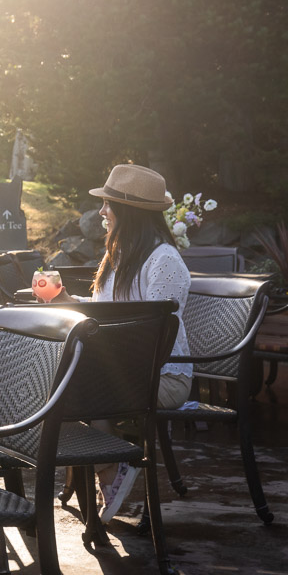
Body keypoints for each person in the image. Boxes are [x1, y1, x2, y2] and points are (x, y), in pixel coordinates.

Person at [81, 163, 193, 523]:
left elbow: (157, 335)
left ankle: (111, 470)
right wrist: (64, 302)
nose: (101, 212)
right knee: (54, 380)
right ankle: (111, 467)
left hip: (163, 377)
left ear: (128, 211)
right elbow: (104, 316)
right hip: (119, 372)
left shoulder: (164, 261)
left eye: (108, 204)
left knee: (75, 384)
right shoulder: (118, 255)